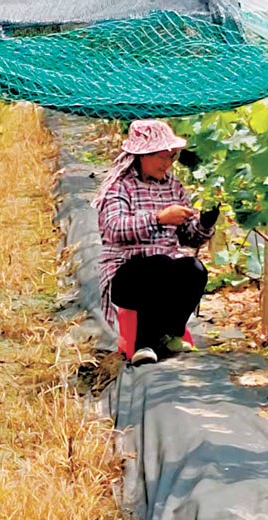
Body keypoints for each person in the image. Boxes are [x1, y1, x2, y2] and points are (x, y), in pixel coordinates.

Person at [93, 119, 219, 365]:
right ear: (142, 155)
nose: (168, 163)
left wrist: (204, 224)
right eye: (162, 157)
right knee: (158, 264)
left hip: (164, 272)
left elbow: (189, 237)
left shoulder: (172, 186)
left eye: (171, 157)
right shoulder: (119, 187)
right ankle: (142, 343)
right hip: (126, 275)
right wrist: (159, 219)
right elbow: (116, 228)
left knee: (193, 269)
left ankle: (170, 333)